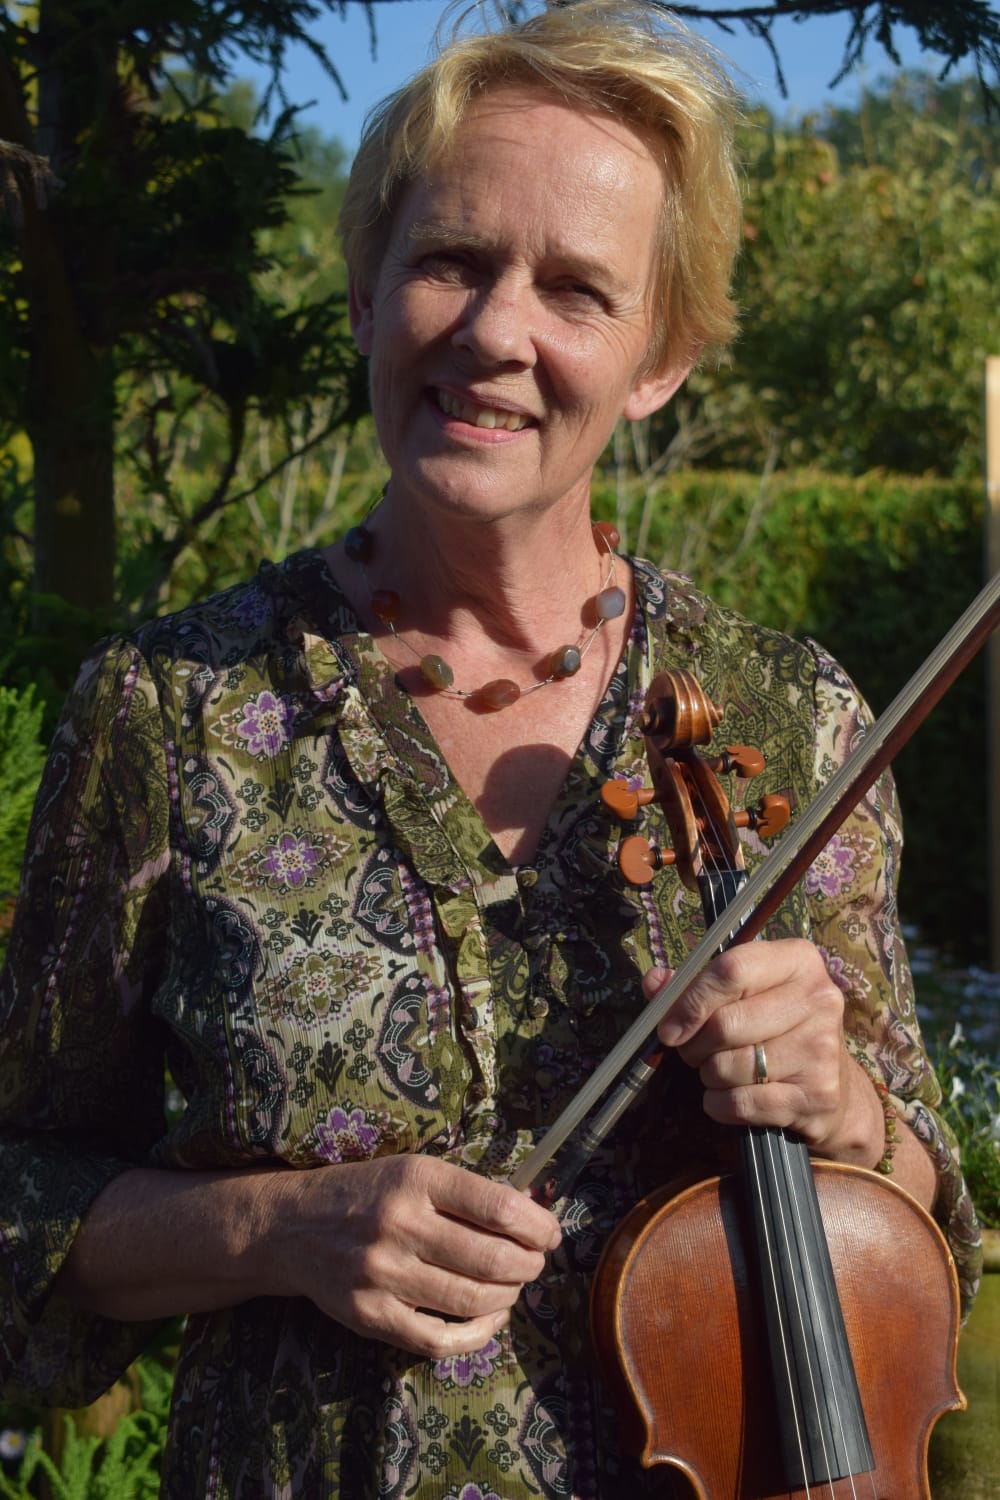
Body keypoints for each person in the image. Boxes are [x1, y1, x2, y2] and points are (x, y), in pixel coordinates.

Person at [0, 3, 981, 1496]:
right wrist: (277, 1228)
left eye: (577, 289)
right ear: (365, 294)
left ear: (659, 359)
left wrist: (846, 1106)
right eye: (451, 261)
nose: (494, 332)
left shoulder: (792, 716)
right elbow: (22, 1197)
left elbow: (928, 1223)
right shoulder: (170, 709)